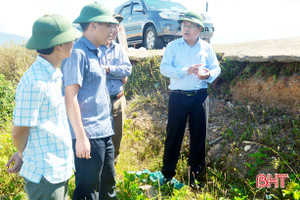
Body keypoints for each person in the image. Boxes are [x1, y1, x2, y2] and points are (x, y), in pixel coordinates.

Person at [5, 14, 76, 199]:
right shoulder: (36, 82)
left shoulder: (51, 73)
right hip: (46, 172)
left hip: (57, 166)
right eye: (70, 38)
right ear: (59, 44)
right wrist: (22, 153)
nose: (74, 40)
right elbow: (19, 131)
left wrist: (22, 153)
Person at [61, 3, 119, 200]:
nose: (112, 30)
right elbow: (71, 97)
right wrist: (81, 137)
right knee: (87, 191)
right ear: (93, 25)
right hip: (89, 135)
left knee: (108, 186)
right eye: (107, 25)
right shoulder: (78, 53)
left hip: (104, 131)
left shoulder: (96, 51)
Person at [160, 11, 221, 186]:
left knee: (199, 136)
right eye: (183, 25)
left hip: (199, 97)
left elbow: (216, 68)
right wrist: (185, 70)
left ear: (199, 29)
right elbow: (164, 68)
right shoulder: (173, 46)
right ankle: (168, 175)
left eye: (190, 25)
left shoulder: (206, 48)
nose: (185, 28)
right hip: (178, 97)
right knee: (174, 135)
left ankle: (194, 175)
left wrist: (209, 74)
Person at [99, 14, 132, 159]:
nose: (113, 30)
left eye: (116, 26)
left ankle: (112, 174)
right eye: (110, 25)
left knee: (116, 140)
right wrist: (118, 72)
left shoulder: (119, 49)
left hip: (118, 101)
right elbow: (95, 73)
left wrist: (108, 69)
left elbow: (127, 70)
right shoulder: (94, 49)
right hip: (99, 102)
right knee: (98, 141)